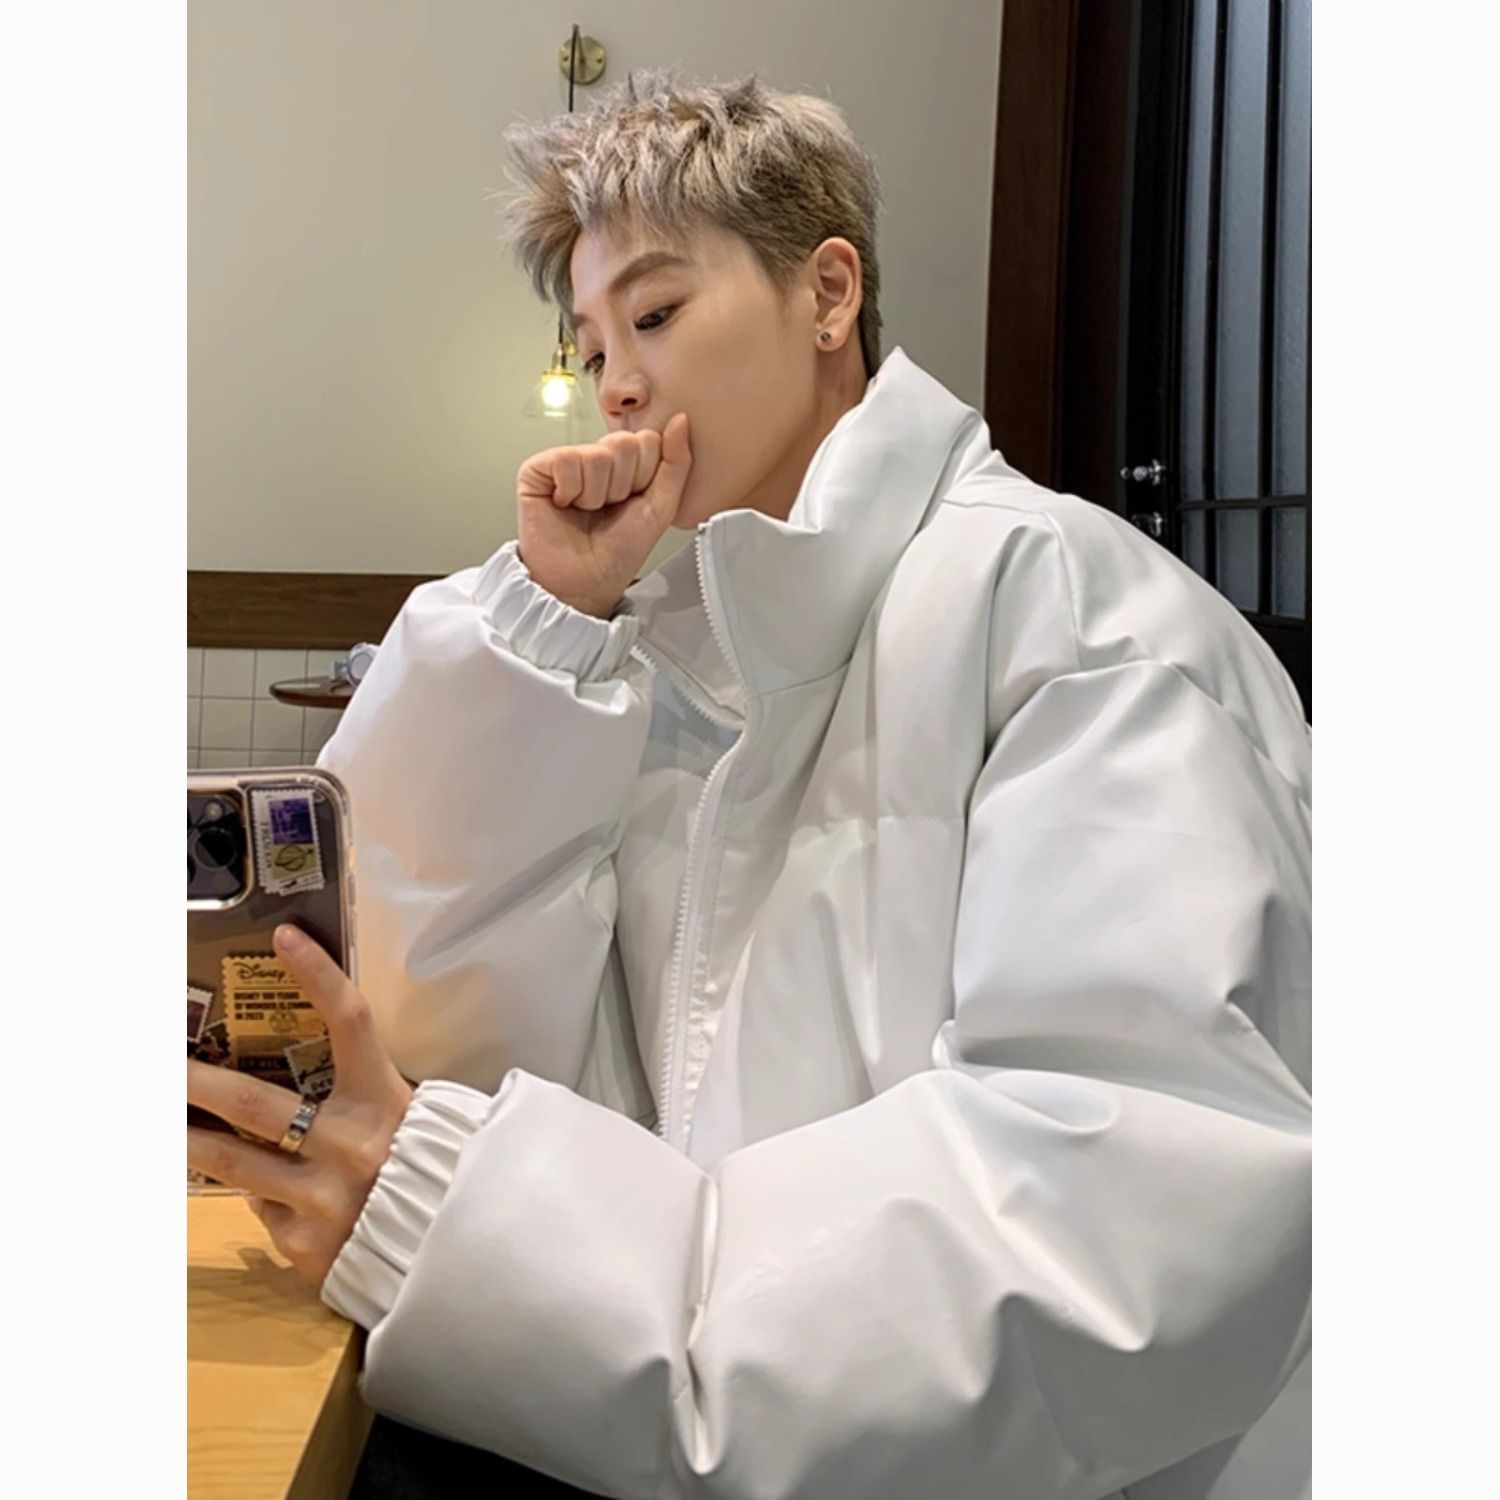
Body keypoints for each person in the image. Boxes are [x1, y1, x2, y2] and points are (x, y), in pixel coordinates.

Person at [187, 70, 1311, 1500]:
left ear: (828, 295)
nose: (619, 383)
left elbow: (1112, 1227)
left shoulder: (1082, 616)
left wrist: (468, 1233)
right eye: (594, 346)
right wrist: (538, 636)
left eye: (655, 315)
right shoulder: (679, 646)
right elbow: (462, 1057)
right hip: (617, 1428)